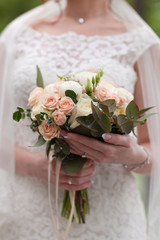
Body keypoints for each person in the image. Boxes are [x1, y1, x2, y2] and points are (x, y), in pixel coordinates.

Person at [0, 0, 160, 239]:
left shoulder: (141, 42)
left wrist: (133, 155)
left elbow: (154, 146)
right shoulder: (18, 34)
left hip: (110, 218)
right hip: (28, 213)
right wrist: (38, 166)